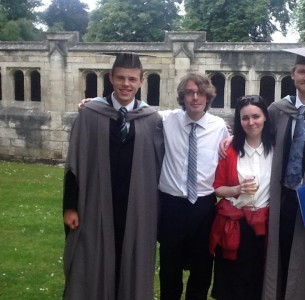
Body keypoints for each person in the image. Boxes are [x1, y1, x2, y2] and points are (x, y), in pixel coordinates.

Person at [220, 47, 305, 300]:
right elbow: (254, 132)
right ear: (293, 74)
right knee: (280, 262)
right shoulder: (278, 110)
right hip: (282, 202)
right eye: (302, 71)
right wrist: (231, 138)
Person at [63, 53, 164, 300]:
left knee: (133, 260)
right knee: (92, 258)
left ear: (141, 81)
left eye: (132, 79)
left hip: (137, 207)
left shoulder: (152, 119)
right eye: (120, 78)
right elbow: (74, 163)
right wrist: (70, 207)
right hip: (96, 203)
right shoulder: (90, 114)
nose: (126, 84)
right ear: (111, 78)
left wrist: (223, 133)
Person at [157, 72, 230, 300]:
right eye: (189, 92)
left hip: (204, 207)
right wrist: (95, 103)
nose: (195, 97)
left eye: (200, 93)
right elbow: (132, 111)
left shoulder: (219, 127)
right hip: (171, 206)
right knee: (170, 267)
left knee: (202, 268)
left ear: (208, 97)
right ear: (182, 96)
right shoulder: (166, 120)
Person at [209, 95, 274, 300]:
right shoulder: (228, 150)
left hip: (265, 226)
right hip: (236, 225)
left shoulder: (277, 149)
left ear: (265, 117)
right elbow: (218, 188)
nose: (251, 122)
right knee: (234, 286)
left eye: (256, 116)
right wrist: (237, 189)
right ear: (239, 120)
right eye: (245, 118)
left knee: (260, 282)